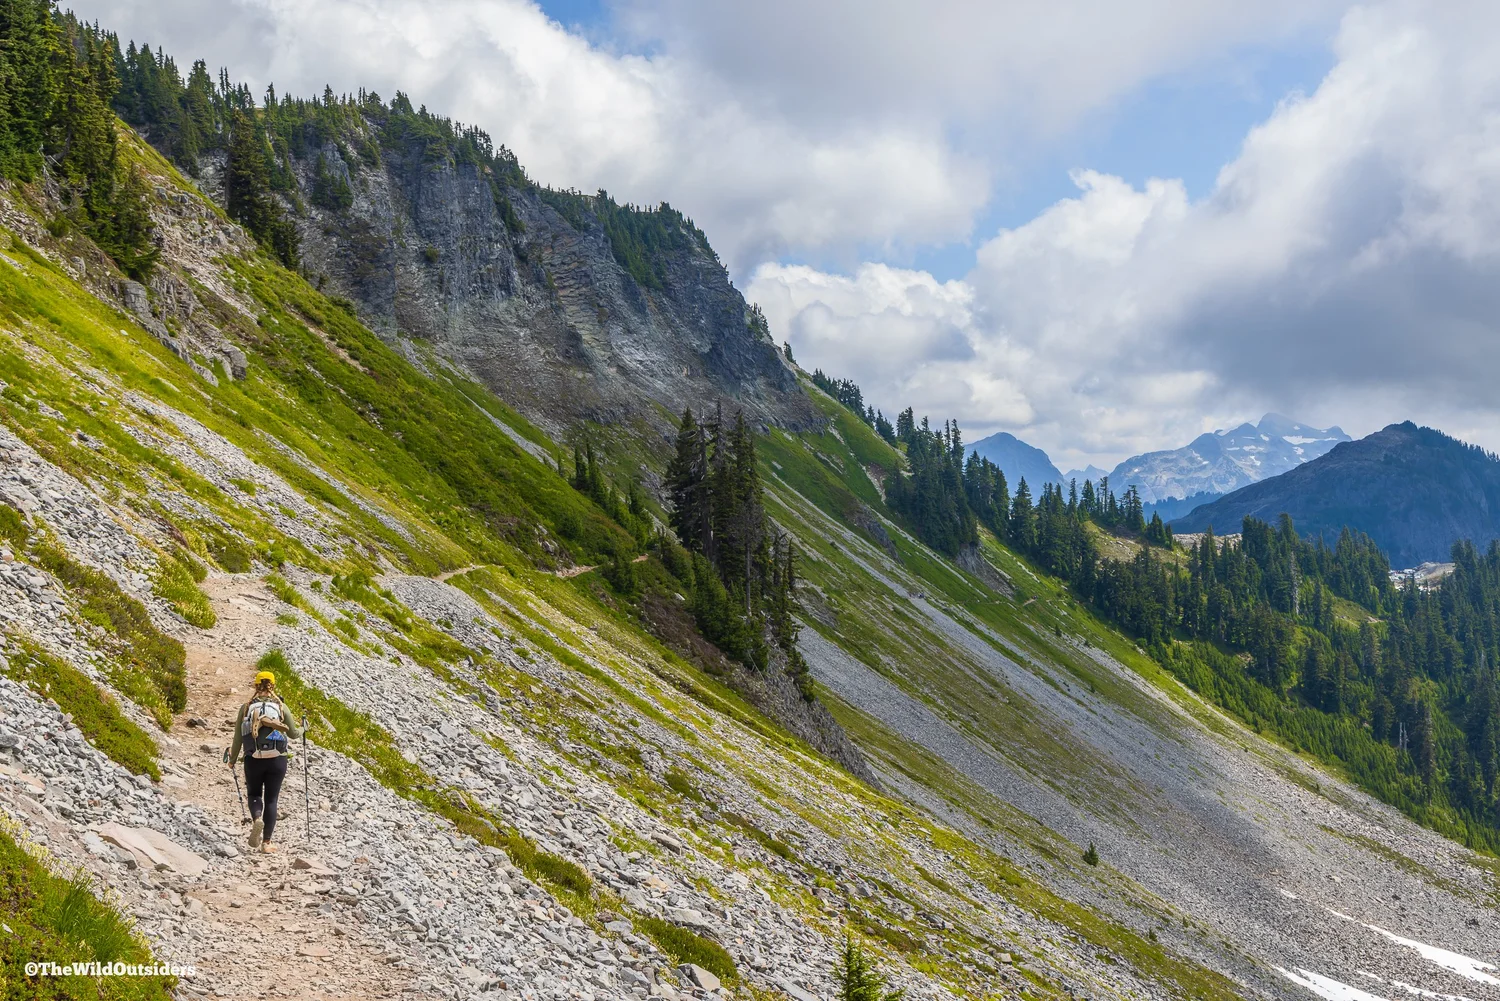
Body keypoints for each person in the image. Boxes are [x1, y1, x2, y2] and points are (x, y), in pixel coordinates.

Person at [228, 670, 301, 853]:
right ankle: (267, 843)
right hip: (277, 759)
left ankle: (257, 818)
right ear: (273, 686)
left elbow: (238, 738)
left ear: (256, 685)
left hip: (253, 758)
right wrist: (304, 728)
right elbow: (293, 734)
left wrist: (232, 759)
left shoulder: (246, 708)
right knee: (271, 799)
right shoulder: (281, 707)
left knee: (254, 794)